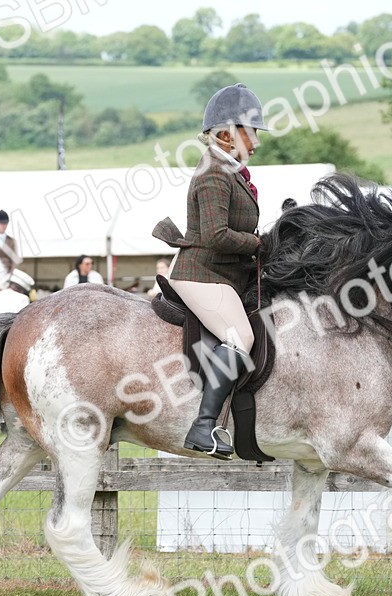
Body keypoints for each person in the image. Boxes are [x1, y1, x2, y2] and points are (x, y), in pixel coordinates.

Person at [152, 83, 266, 459]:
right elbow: (216, 235)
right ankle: (203, 427)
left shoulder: (229, 171)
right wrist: (259, 244)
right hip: (200, 273)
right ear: (227, 134)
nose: (256, 143)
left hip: (222, 274)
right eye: (251, 134)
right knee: (240, 339)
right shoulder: (214, 173)